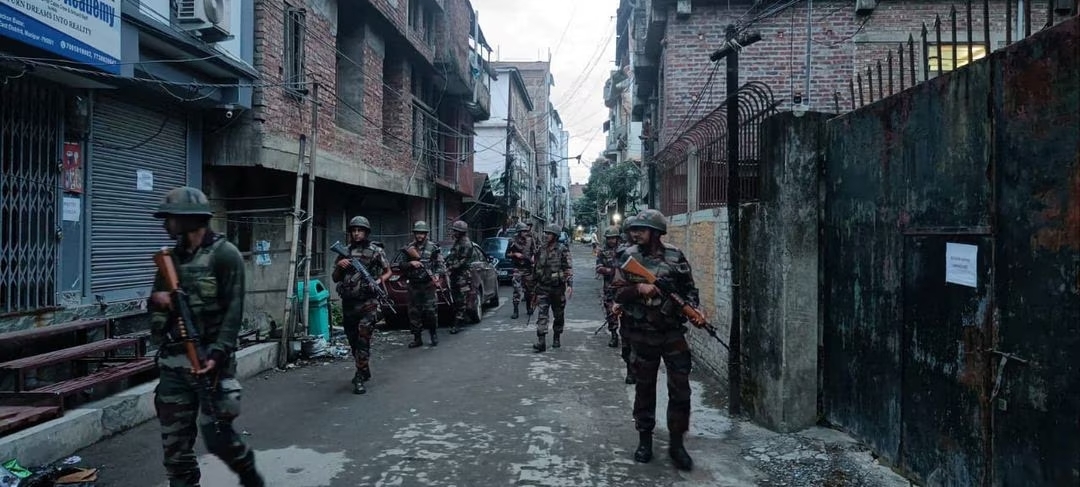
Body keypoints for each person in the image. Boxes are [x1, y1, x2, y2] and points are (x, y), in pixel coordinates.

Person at [149, 186, 265, 487]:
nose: (166, 225)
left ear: (191, 219)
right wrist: (160, 302)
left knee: (218, 438)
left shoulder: (225, 255)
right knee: (175, 452)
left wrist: (217, 354)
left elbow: (234, 312)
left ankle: (249, 473)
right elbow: (156, 303)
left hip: (212, 361)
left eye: (171, 218)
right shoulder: (169, 260)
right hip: (174, 363)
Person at [610, 209, 698, 471]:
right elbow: (617, 293)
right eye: (633, 229)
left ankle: (676, 444)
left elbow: (689, 289)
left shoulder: (675, 255)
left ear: (656, 233)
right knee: (645, 388)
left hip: (672, 333)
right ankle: (645, 440)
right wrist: (638, 288)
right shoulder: (627, 256)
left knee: (681, 389)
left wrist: (694, 309)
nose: (635, 233)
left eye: (641, 229)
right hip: (641, 334)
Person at [331, 215, 391, 394]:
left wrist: (379, 281)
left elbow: (388, 271)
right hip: (349, 303)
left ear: (366, 232)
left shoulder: (375, 251)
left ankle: (359, 376)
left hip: (368, 303)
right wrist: (339, 266)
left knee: (363, 339)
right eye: (354, 231)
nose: (357, 234)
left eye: (360, 230)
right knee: (352, 340)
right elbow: (335, 278)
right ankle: (364, 367)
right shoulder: (345, 251)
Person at [399, 220, 445, 348]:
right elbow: (400, 264)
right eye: (417, 233)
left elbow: (440, 264)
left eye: (422, 233)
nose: (419, 236)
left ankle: (433, 334)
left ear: (426, 234)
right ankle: (417, 338)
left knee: (430, 311)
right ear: (414, 234)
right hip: (413, 285)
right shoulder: (409, 248)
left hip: (428, 285)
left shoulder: (433, 248)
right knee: (414, 313)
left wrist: (436, 275)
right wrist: (411, 263)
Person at [532, 224, 573, 352]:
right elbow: (535, 269)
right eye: (545, 233)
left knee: (558, 315)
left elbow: (568, 269)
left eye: (549, 233)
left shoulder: (562, 249)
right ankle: (541, 341)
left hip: (557, 288)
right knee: (542, 315)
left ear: (555, 236)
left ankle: (556, 336)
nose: (546, 235)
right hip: (543, 287)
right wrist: (534, 289)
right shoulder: (540, 249)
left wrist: (570, 285)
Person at [444, 220, 479, 334]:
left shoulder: (466, 244)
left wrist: (451, 268)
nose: (454, 233)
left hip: (463, 275)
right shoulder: (457, 242)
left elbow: (463, 261)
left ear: (461, 232)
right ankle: (458, 320)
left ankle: (458, 323)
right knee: (455, 298)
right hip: (456, 275)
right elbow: (452, 256)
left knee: (461, 300)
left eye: (456, 231)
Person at [594, 225, 623, 349]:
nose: (612, 240)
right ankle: (614, 334)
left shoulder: (624, 250)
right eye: (609, 238)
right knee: (611, 311)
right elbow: (598, 268)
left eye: (614, 238)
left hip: (624, 286)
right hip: (609, 286)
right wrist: (611, 271)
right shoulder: (602, 252)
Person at [506, 222, 536, 319]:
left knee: (529, 291)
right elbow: (506, 254)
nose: (525, 233)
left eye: (525, 231)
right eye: (523, 231)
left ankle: (529, 308)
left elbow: (535, 251)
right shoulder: (512, 241)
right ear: (519, 232)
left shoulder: (530, 240)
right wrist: (515, 254)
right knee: (517, 290)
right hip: (517, 268)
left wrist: (533, 257)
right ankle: (515, 311)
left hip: (528, 268)